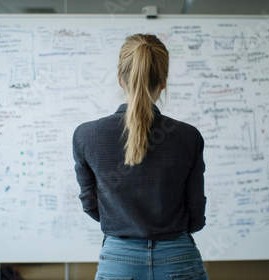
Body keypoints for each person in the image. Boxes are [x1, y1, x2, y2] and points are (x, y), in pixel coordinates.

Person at [73, 34, 208, 280]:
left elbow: (89, 203)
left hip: (118, 261)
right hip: (178, 258)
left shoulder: (86, 136)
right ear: (164, 82)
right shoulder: (188, 137)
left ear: (120, 80)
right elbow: (196, 212)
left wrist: (121, 223)